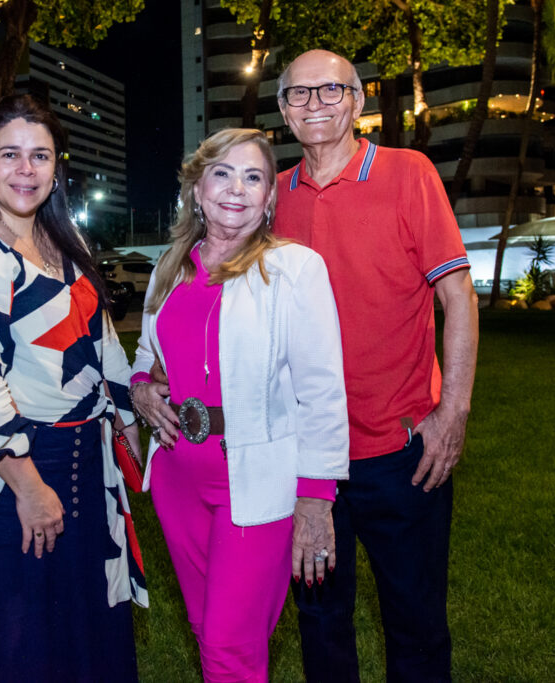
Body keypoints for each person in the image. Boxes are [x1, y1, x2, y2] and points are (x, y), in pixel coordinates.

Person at [275, 50, 480, 681]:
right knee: (320, 624)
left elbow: (457, 295)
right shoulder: (272, 195)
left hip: (403, 452)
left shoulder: (408, 172)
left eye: (330, 90)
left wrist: (454, 411)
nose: (315, 104)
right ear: (283, 111)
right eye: (298, 94)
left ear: (358, 101)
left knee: (416, 626)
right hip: (308, 460)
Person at [0, 93, 146, 683]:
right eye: (11, 154)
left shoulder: (65, 250)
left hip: (85, 464)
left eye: (40, 156)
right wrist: (27, 484)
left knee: (83, 638)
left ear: (56, 169)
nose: (26, 169)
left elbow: (105, 353)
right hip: (17, 471)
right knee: (17, 641)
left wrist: (131, 421)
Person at [130, 128, 350, 683]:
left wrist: (317, 499)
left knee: (230, 646)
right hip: (178, 477)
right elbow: (145, 350)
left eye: (253, 177)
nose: (237, 189)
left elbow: (322, 392)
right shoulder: (170, 267)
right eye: (222, 174)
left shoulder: (295, 269)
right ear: (197, 190)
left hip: (255, 484)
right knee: (210, 634)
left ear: (270, 197)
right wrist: (139, 385)